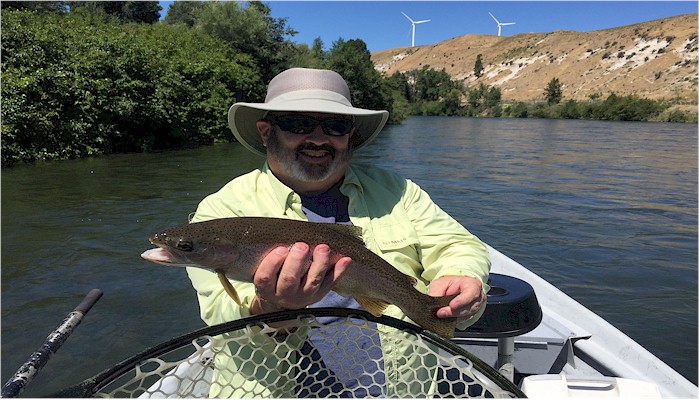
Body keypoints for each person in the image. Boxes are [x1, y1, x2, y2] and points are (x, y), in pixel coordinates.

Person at [185, 67, 490, 397]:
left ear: (350, 134)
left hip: (401, 387)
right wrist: (273, 309)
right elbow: (221, 319)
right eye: (297, 123)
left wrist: (463, 276)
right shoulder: (219, 213)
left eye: (335, 125)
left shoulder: (398, 191)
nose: (317, 137)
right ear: (265, 131)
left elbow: (456, 244)